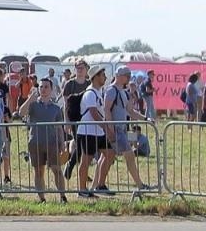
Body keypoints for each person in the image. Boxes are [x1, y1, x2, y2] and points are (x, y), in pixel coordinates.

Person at [94, 66, 154, 194]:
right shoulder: (111, 91)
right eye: (126, 75)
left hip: (120, 129)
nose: (128, 77)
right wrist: (110, 129)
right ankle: (140, 185)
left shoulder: (125, 92)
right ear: (119, 76)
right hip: (115, 129)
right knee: (128, 155)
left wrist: (145, 119)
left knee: (107, 158)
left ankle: (98, 186)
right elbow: (107, 110)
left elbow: (130, 111)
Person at [19, 77, 68, 203]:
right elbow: (21, 113)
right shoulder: (33, 105)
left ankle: (62, 196)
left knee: (57, 169)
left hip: (52, 142)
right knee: (39, 171)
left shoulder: (56, 108)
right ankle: (42, 199)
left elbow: (59, 128)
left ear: (51, 89)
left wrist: (62, 144)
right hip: (36, 142)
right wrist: (30, 98)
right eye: (41, 87)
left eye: (46, 87)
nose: (43, 89)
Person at [73, 67, 114, 198]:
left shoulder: (99, 92)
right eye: (103, 75)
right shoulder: (90, 93)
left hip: (98, 132)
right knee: (86, 160)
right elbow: (93, 113)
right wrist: (106, 128)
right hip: (87, 131)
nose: (105, 77)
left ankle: (100, 185)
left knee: (110, 153)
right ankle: (82, 189)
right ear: (96, 77)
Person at [62, 60, 93, 180]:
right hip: (74, 119)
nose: (79, 70)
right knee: (80, 144)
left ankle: (78, 168)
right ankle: (71, 166)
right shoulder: (70, 84)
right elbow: (66, 105)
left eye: (82, 68)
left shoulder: (90, 84)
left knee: (84, 146)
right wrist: (67, 121)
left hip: (87, 118)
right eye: (77, 68)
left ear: (86, 69)